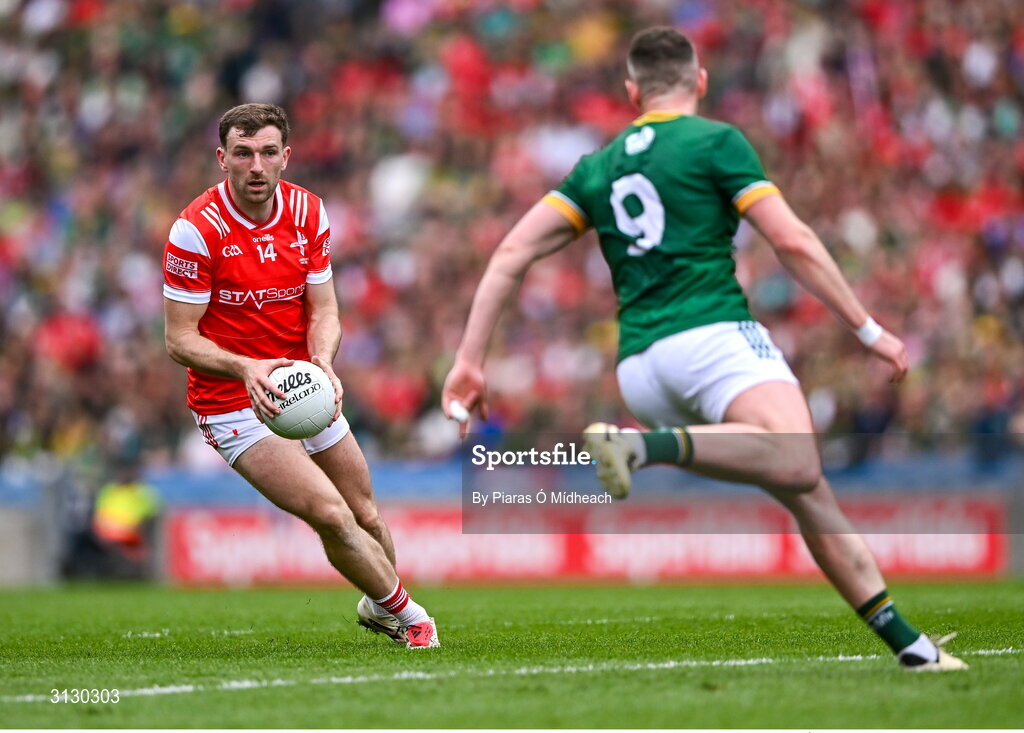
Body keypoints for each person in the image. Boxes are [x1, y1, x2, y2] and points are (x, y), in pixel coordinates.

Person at [442, 28, 963, 671]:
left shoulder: (599, 165)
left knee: (805, 488)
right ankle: (639, 447)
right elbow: (792, 241)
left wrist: (469, 360)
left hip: (640, 367)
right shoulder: (716, 141)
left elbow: (511, 253)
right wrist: (867, 328)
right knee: (799, 458)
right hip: (711, 337)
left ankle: (909, 646)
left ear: (632, 91)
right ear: (702, 80)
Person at [163, 103, 438, 649]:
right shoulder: (195, 232)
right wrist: (246, 367)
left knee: (367, 514)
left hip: (302, 387)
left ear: (286, 157)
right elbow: (179, 339)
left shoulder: (310, 213)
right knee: (333, 515)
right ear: (223, 159)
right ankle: (413, 620)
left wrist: (322, 363)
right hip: (231, 402)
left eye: (268, 152)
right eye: (243, 154)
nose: (256, 166)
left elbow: (325, 310)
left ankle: (378, 603)